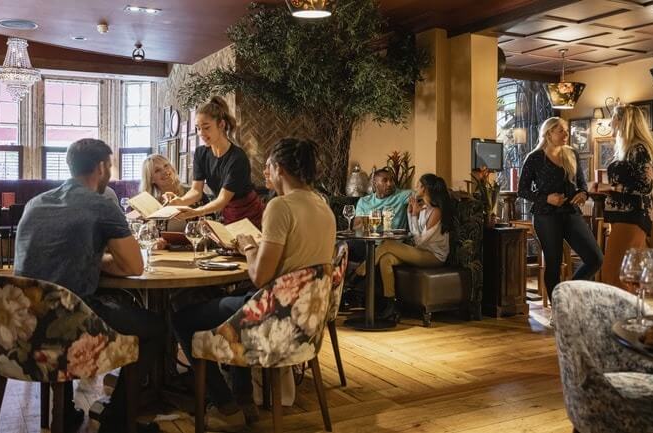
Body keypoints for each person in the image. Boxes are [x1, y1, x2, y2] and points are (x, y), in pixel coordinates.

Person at [172, 138, 335, 432]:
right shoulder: (323, 206)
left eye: (269, 167)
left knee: (183, 318)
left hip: (274, 319)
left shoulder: (279, 206)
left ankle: (226, 406)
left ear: (280, 168)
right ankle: (243, 397)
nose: (265, 174)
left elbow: (260, 277)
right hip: (304, 324)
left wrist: (248, 246)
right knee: (230, 302)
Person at [14, 138, 164, 433]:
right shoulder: (100, 205)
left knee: (70, 298)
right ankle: (118, 419)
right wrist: (104, 260)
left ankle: (65, 412)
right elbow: (134, 267)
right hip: (71, 324)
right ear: (101, 167)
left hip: (23, 328)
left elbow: (54, 255)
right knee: (157, 327)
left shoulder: (36, 203)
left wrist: (93, 259)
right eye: (110, 165)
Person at [518, 117, 603, 304]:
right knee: (553, 264)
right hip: (545, 216)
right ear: (549, 133)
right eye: (561, 131)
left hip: (571, 213)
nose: (566, 134)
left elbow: (581, 183)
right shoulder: (534, 158)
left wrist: (583, 194)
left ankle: (567, 294)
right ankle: (558, 309)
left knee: (595, 258)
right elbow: (522, 190)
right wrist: (546, 198)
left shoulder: (571, 153)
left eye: (566, 130)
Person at [355, 173, 452, 320]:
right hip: (420, 252)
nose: (415, 188)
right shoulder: (423, 207)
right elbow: (416, 236)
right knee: (386, 259)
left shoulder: (435, 212)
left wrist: (413, 216)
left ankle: (359, 273)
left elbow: (420, 241)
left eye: (418, 185)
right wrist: (411, 212)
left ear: (425, 189)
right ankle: (391, 305)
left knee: (388, 244)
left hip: (433, 256)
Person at [165, 96, 265, 227]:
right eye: (198, 128)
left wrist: (194, 212)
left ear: (221, 125)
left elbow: (223, 200)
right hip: (228, 214)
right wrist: (180, 201)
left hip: (251, 216)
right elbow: (196, 191)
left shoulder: (237, 157)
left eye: (206, 127)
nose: (201, 133)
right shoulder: (201, 153)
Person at [602, 104, 653, 290]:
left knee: (614, 275)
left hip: (632, 217)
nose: (611, 126)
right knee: (631, 277)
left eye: (613, 122)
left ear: (623, 122)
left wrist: (612, 188)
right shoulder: (630, 149)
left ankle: (622, 317)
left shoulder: (638, 149)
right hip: (627, 217)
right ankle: (631, 316)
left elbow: (645, 185)